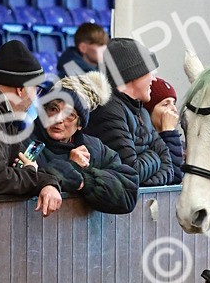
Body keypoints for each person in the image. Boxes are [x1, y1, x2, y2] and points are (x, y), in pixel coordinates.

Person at [0, 39, 63, 213]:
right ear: (20, 89)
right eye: (35, 89)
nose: (34, 98)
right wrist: (34, 177)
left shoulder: (1, 113)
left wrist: (46, 182)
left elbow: (26, 162)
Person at [34, 74, 139, 213]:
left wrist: (83, 181)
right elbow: (27, 178)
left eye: (70, 115)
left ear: (80, 124)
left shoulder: (94, 148)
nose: (58, 119)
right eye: (53, 109)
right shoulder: (27, 141)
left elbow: (128, 195)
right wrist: (73, 166)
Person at [86, 38, 177, 186]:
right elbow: (131, 172)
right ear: (133, 75)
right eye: (149, 72)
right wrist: (155, 156)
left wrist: (149, 163)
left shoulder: (142, 112)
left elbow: (171, 168)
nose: (153, 79)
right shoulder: (108, 111)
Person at [143, 76, 185, 184]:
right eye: (166, 104)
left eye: (174, 103)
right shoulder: (142, 143)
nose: (174, 109)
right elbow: (174, 176)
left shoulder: (181, 146)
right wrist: (168, 133)